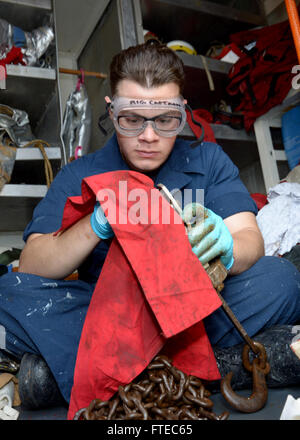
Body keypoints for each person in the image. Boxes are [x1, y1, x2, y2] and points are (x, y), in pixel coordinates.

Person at [0, 41, 299, 410]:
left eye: (165, 120)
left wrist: (226, 244)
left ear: (183, 114)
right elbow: (31, 265)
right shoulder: (79, 174)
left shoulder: (207, 161)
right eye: (132, 119)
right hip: (110, 316)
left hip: (194, 310)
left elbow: (250, 240)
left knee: (281, 279)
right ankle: (212, 366)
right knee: (8, 293)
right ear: (111, 111)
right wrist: (95, 223)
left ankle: (93, 370)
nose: (149, 136)